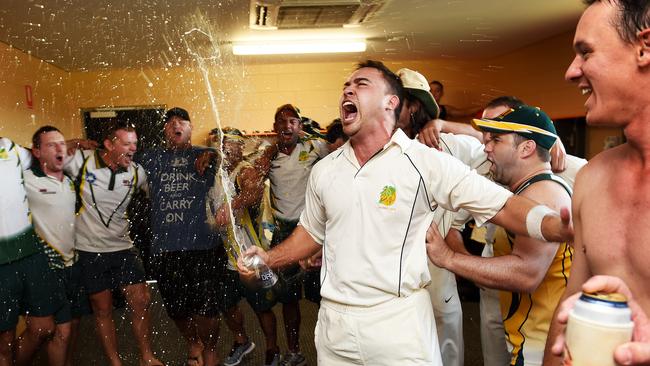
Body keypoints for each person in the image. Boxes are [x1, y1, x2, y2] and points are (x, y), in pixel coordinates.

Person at [239, 60, 572, 365]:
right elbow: (310, 234)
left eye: (362, 83)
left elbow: (503, 206)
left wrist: (556, 226)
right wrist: (267, 259)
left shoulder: (426, 161)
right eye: (346, 85)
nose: (348, 89)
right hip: (334, 328)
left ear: (391, 102)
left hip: (398, 325)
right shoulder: (325, 170)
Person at [544, 1, 650, 365]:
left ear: (644, 47)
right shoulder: (591, 179)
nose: (571, 72)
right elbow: (573, 300)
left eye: (585, 52)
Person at [426, 105, 574, 366]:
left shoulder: (542, 195)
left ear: (526, 148)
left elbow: (526, 274)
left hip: (543, 347)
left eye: (496, 140)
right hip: (530, 338)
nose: (486, 148)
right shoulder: (527, 191)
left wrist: (448, 258)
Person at [137, 108, 254, 366]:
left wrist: (210, 153)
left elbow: (231, 157)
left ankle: (210, 350)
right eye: (170, 123)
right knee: (176, 310)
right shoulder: (152, 157)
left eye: (181, 122)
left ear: (190, 128)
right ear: (165, 130)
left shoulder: (206, 154)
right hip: (166, 249)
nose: (175, 125)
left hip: (203, 247)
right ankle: (193, 342)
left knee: (207, 310)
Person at [64, 120, 162, 366]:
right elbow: (48, 153)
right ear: (109, 144)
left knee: (141, 300)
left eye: (135, 144)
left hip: (123, 248)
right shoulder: (83, 160)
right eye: (126, 143)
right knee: (103, 309)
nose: (133, 149)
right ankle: (114, 361)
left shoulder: (137, 172)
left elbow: (162, 194)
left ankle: (146, 356)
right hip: (89, 250)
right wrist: (75, 142)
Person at [253, 104, 329, 366]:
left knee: (325, 295)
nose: (287, 126)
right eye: (282, 122)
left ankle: (333, 350)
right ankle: (295, 351)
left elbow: (342, 150)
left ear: (299, 126)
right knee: (289, 298)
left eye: (293, 121)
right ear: (275, 128)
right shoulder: (267, 155)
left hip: (314, 230)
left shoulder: (314, 147)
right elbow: (242, 167)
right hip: (285, 231)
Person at [22, 126, 92, 366]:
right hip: (45, 266)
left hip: (72, 265)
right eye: (51, 145)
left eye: (62, 143)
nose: (60, 148)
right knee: (45, 330)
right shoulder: (27, 179)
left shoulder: (70, 181)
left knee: (67, 329)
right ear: (37, 152)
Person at [0, 136, 66, 366]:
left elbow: (38, 156)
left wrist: (71, 144)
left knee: (43, 327)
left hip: (30, 254)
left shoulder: (8, 147)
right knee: (4, 344)